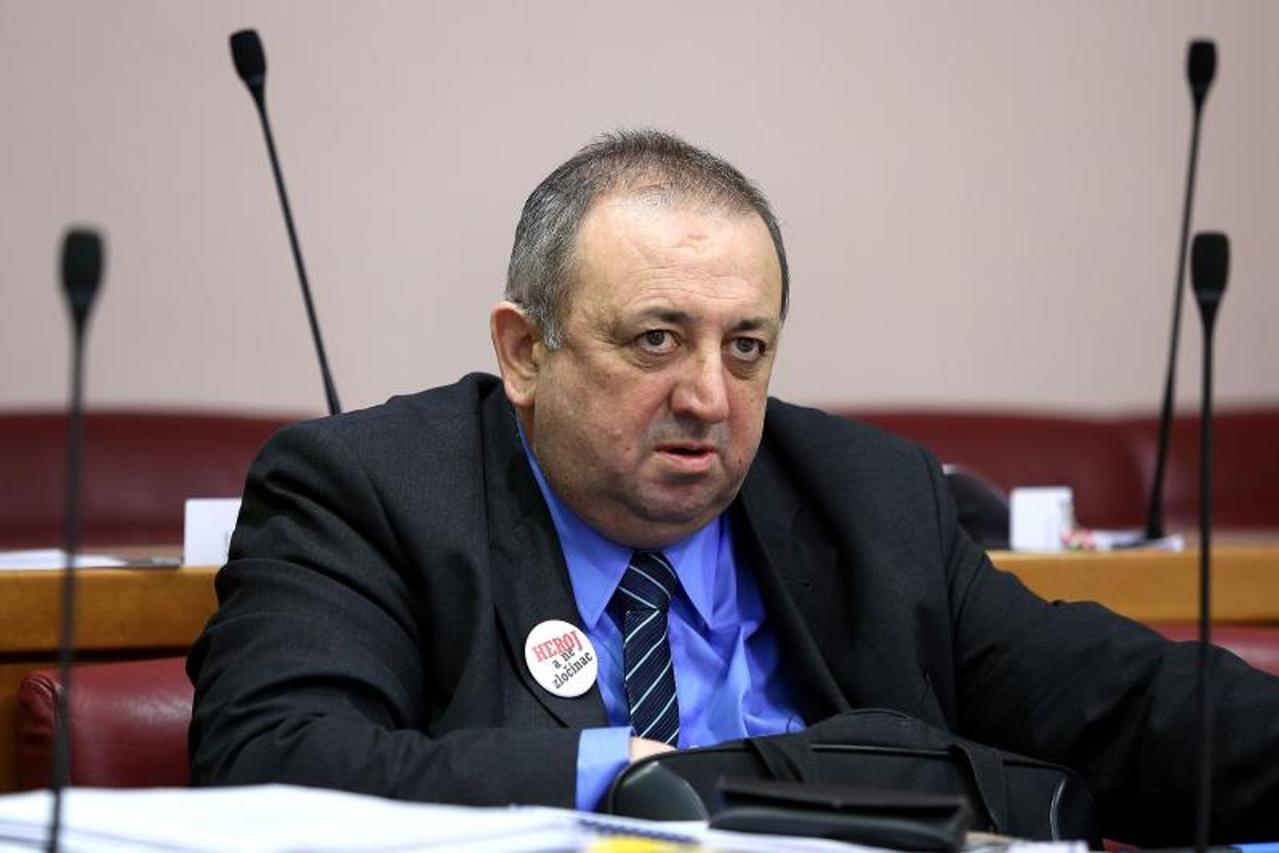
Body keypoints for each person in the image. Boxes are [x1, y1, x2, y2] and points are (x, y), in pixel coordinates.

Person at [188, 130, 1279, 844]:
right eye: (656, 339)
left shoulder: (868, 496)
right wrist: (622, 776)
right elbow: (267, 760)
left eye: (746, 346)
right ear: (524, 351)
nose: (710, 396)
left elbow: (1115, 702)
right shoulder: (370, 490)